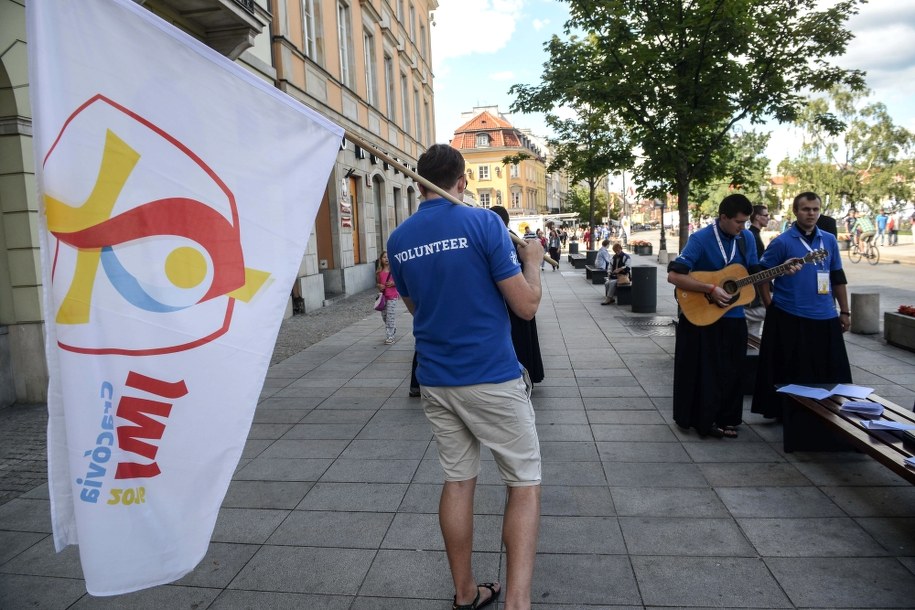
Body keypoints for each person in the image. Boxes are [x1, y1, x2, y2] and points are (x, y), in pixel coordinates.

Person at [387, 144, 544, 610]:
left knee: (458, 481)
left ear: (420, 184)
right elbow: (526, 306)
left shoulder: (398, 239)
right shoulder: (483, 223)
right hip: (491, 375)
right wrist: (532, 260)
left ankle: (465, 593)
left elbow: (416, 308)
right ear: (462, 182)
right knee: (523, 481)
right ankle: (517, 602)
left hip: (436, 378)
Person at [750, 192, 851, 452]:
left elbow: (837, 276)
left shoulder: (828, 240)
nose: (811, 213)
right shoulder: (782, 242)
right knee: (790, 369)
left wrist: (845, 311)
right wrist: (769, 303)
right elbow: (762, 275)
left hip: (825, 316)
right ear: (796, 211)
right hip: (790, 315)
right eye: (806, 209)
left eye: (815, 209)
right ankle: (788, 415)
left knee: (828, 373)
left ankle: (830, 416)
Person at [667, 194, 760, 439]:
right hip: (702, 317)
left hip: (733, 316)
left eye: (746, 222)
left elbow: (753, 271)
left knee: (733, 370)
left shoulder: (746, 238)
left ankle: (728, 418)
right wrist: (710, 288)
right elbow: (675, 276)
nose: (743, 227)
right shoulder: (700, 238)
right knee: (705, 371)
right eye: (739, 222)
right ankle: (702, 419)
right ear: (723, 218)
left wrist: (783, 269)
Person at [492, 205, 545, 383]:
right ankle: (529, 373)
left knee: (517, 338)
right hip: (519, 291)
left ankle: (522, 375)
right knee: (523, 337)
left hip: (512, 295)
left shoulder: (504, 240)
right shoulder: (514, 239)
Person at [744, 205, 770, 337]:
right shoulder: (752, 236)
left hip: (756, 283)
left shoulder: (755, 234)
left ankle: (751, 345)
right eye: (765, 215)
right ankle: (738, 312)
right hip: (755, 284)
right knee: (770, 310)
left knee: (754, 327)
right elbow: (755, 266)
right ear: (757, 217)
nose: (768, 218)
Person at [375, 251, 398, 345]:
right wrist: (379, 286)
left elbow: (401, 281)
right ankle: (393, 328)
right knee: (384, 316)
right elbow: (377, 283)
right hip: (383, 297)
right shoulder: (379, 272)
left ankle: (390, 336)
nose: (386, 258)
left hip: (393, 296)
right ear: (381, 259)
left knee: (390, 317)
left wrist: (394, 283)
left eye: (388, 257)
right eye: (384, 257)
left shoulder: (394, 270)